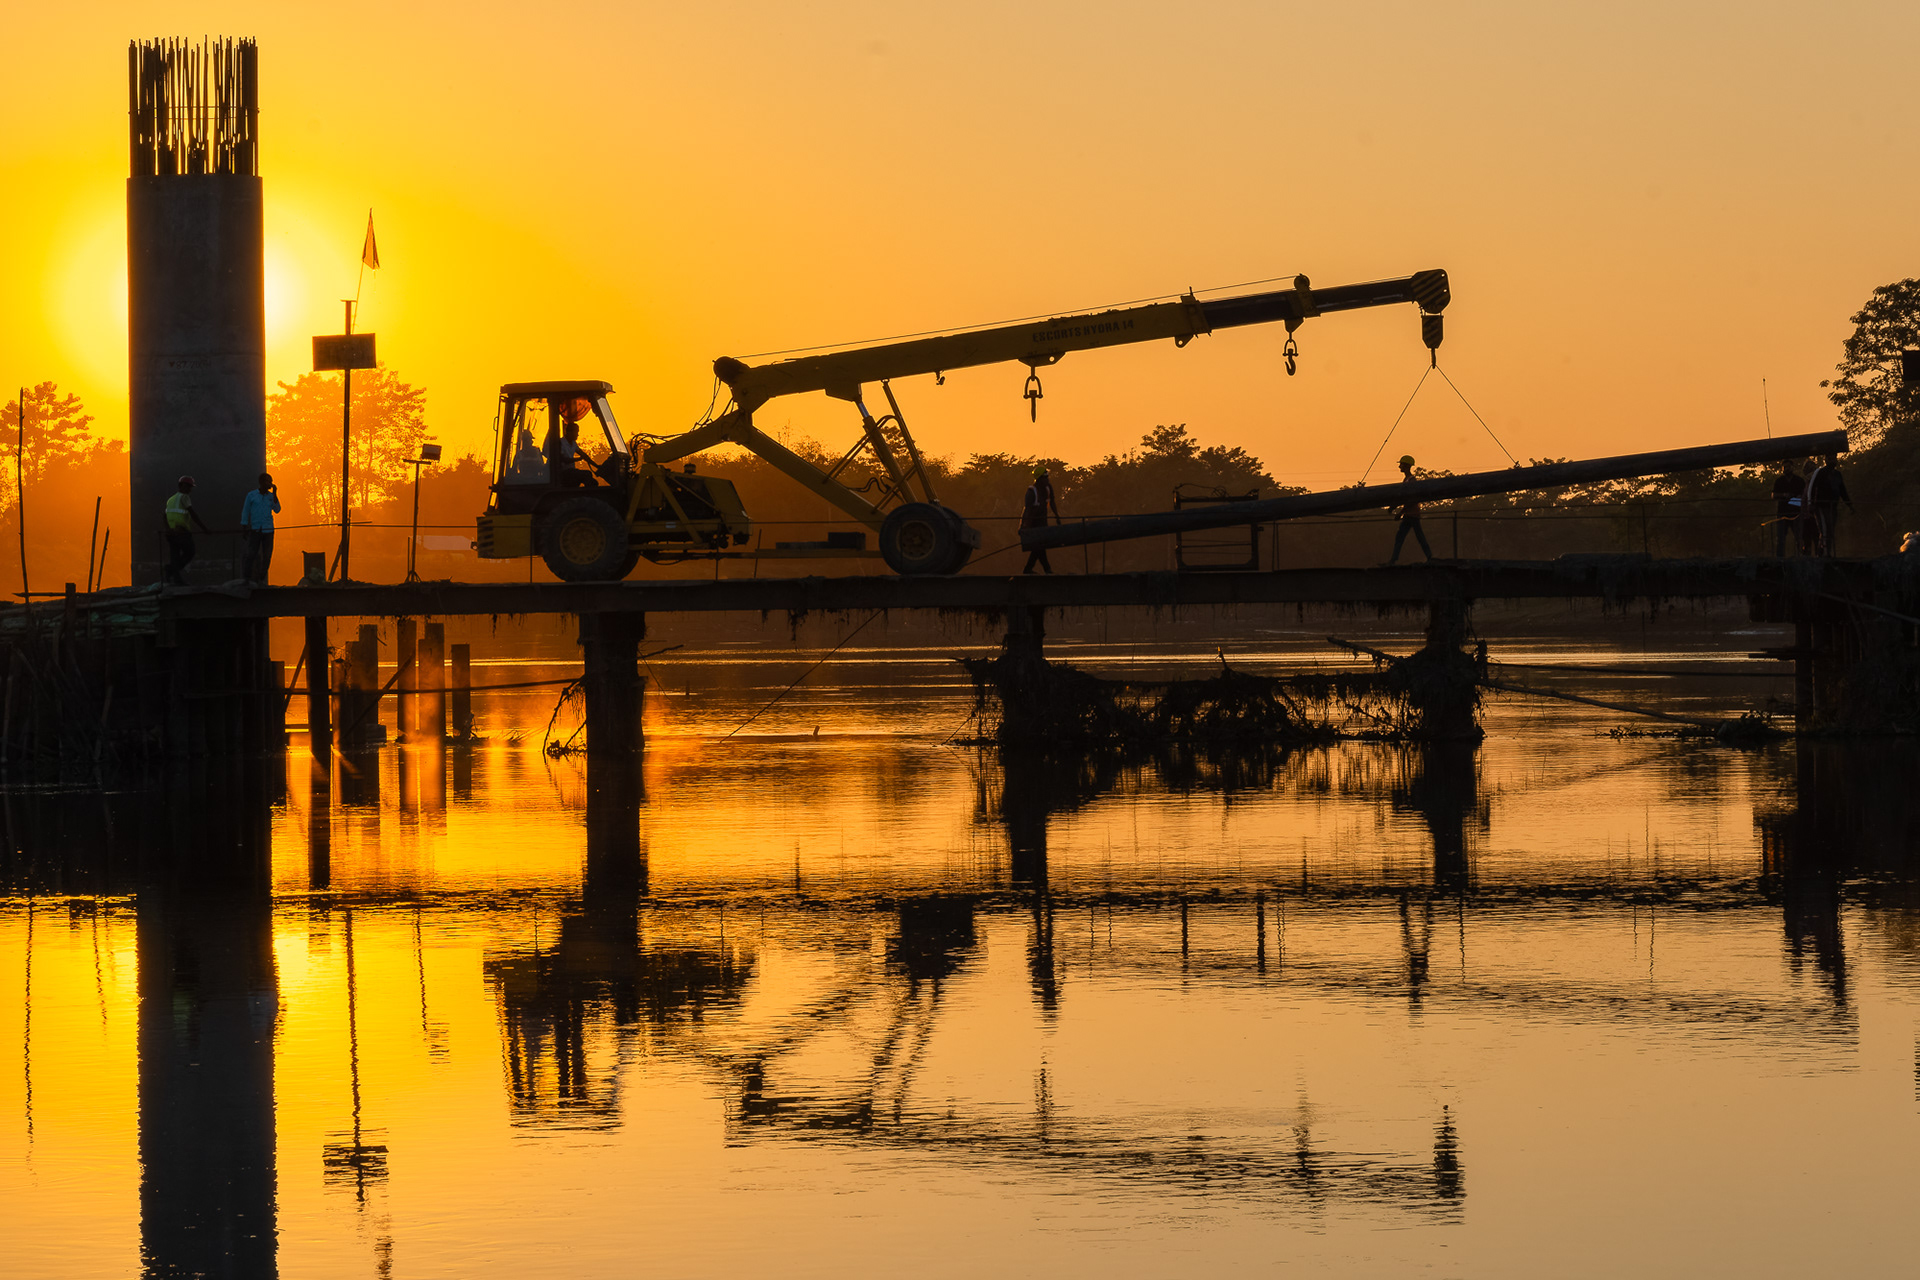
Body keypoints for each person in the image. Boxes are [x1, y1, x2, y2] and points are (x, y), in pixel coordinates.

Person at [164, 475, 211, 585]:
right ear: (181, 486)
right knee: (190, 552)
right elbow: (193, 514)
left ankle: (176, 578)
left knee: (175, 556)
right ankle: (171, 570)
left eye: (190, 487)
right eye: (188, 486)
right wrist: (205, 529)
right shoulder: (184, 497)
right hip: (181, 533)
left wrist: (168, 529)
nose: (189, 489)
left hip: (171, 534)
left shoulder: (171, 499)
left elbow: (164, 516)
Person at [1387, 454, 1432, 564]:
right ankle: (1394, 559)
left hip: (1412, 514)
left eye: (1401, 465)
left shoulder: (1412, 481)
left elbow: (1412, 500)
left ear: (1406, 466)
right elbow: (1402, 497)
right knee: (1403, 537)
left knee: (1412, 537)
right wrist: (1393, 507)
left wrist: (1400, 513)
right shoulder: (1406, 480)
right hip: (1409, 514)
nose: (1399, 467)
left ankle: (1394, 559)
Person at [239, 472, 280, 584]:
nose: (270, 484)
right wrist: (244, 527)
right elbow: (246, 511)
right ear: (261, 482)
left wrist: (275, 493)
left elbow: (277, 509)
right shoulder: (251, 495)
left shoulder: (271, 497)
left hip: (269, 530)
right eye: (268, 481)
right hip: (256, 529)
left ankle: (261, 577)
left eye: (271, 481)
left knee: (267, 556)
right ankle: (247, 578)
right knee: (251, 554)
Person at [1808, 454, 1852, 557]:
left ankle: (1824, 552)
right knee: (1824, 529)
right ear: (1826, 460)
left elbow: (1842, 490)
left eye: (1834, 459)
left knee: (1830, 529)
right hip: (1820, 506)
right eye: (1831, 458)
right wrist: (1810, 503)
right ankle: (1826, 553)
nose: (1833, 461)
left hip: (1833, 506)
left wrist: (1849, 505)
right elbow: (1812, 487)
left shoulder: (1837, 475)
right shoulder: (1820, 472)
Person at [1021, 464, 1061, 575]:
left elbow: (1052, 502)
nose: (1047, 479)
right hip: (1033, 523)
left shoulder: (1048, 488)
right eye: (1045, 477)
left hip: (1043, 521)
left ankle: (1030, 569)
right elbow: (1027, 511)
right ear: (1039, 479)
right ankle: (1046, 569)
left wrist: (1057, 516)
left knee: (1039, 546)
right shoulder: (1031, 492)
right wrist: (1023, 527)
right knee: (1039, 546)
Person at [1770, 459, 1805, 556]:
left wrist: (1797, 498)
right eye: (1784, 467)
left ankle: (1801, 556)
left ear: (1792, 468)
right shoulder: (1779, 481)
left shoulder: (1799, 481)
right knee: (1780, 538)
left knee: (1799, 537)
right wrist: (1784, 495)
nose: (1786, 469)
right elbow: (1773, 495)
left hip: (1796, 513)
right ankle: (1780, 558)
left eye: (1788, 467)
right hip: (1782, 513)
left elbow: (1804, 495)